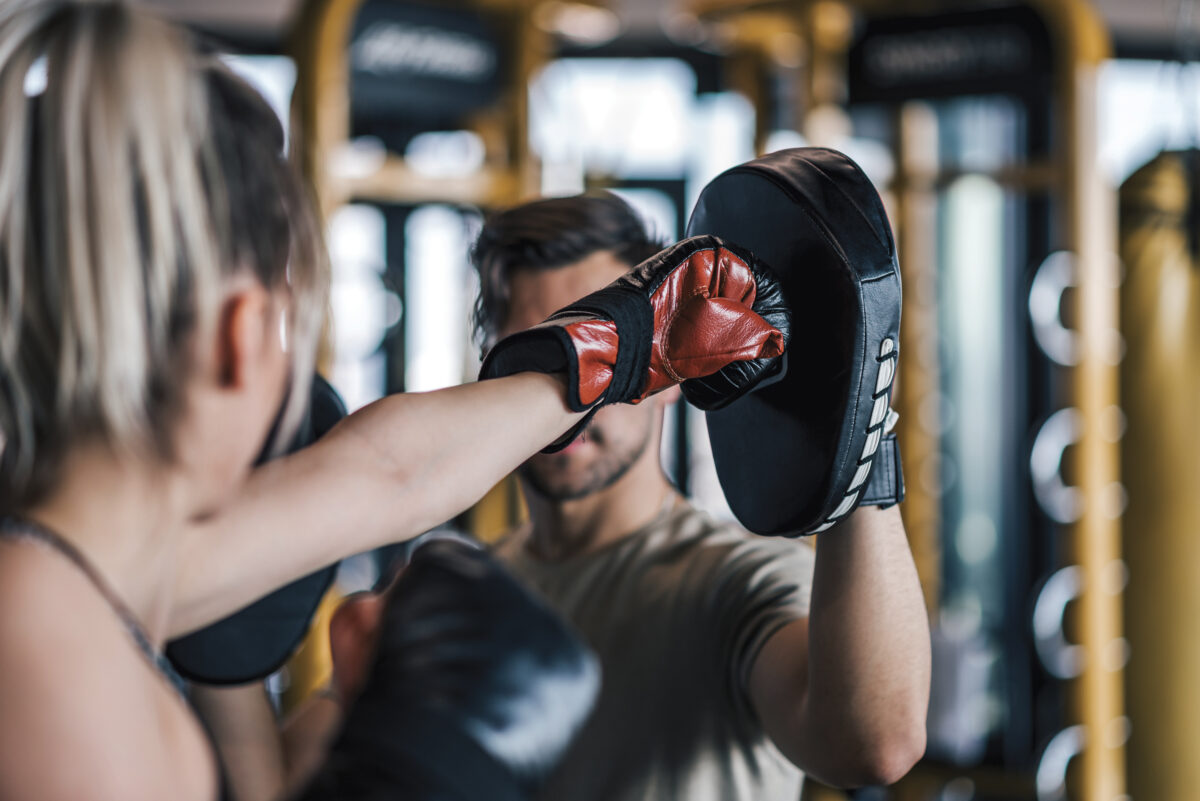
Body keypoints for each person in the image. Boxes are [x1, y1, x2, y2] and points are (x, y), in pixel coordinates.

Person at [0, 5, 785, 800]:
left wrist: (623, 348)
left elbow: (390, 473)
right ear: (241, 335)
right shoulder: (47, 658)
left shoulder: (74, 581)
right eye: (285, 328)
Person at [469, 193, 932, 799]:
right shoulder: (461, 592)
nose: (573, 399)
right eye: (545, 358)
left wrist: (858, 428)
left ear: (671, 366)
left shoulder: (740, 581)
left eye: (607, 353)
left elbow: (874, 747)